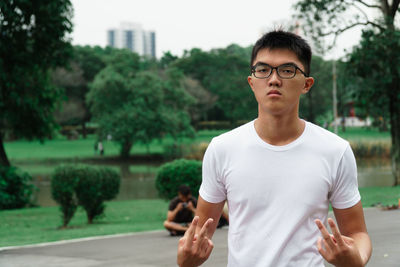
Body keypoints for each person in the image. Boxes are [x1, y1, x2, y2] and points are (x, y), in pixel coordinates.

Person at [177, 30, 372, 267]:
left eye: (287, 70)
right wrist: (186, 259)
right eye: (263, 70)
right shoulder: (223, 149)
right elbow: (198, 234)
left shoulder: (335, 151)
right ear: (252, 82)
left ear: (307, 84)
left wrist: (356, 258)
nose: (274, 79)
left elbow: (357, 234)